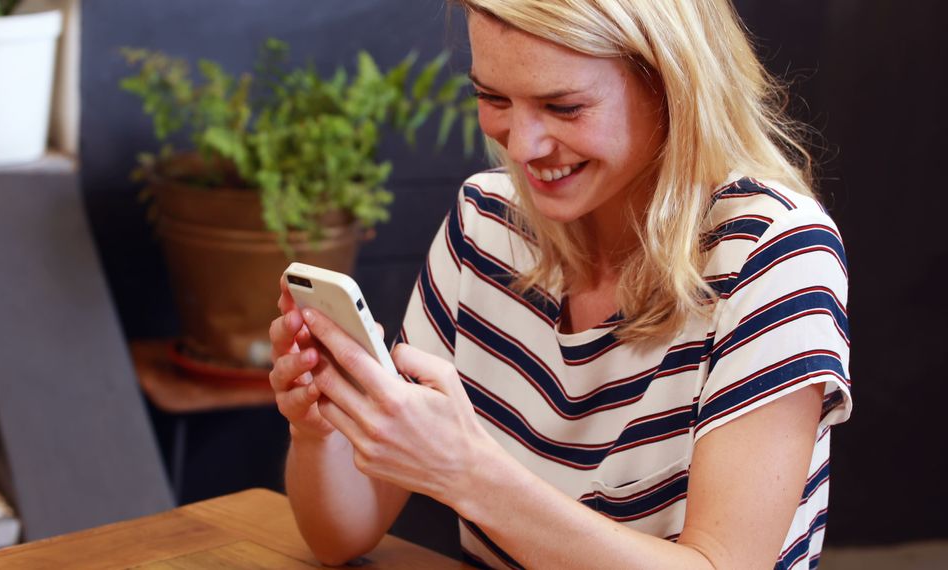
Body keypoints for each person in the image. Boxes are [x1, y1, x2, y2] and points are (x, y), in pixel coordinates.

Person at [268, 1, 851, 568]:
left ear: (669, 83)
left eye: (564, 106)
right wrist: (319, 431)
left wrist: (469, 475)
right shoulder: (484, 223)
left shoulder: (774, 251)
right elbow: (338, 539)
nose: (520, 146)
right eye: (492, 97)